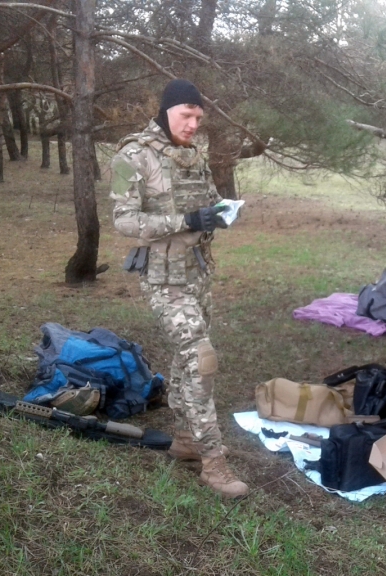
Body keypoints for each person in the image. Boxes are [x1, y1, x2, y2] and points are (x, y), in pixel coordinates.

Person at [110, 78, 247, 498]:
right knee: (200, 357)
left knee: (185, 359)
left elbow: (204, 203)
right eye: (186, 115)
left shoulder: (191, 155)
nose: (192, 125)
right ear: (166, 110)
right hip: (163, 278)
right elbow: (124, 221)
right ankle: (213, 462)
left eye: (198, 118)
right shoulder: (132, 155)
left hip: (197, 273)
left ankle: (186, 438)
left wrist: (217, 213)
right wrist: (185, 221)